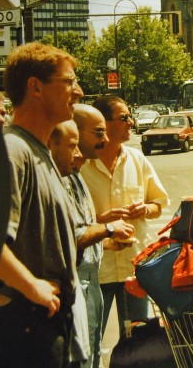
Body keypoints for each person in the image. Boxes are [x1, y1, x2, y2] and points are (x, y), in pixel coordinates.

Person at [0, 42, 84, 368]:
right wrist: (32, 287)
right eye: (69, 82)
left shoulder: (38, 151)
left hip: (45, 322)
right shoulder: (14, 152)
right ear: (35, 87)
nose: (78, 91)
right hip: (27, 327)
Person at [49, 112, 135, 368]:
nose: (105, 139)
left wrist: (105, 239)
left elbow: (81, 228)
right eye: (99, 133)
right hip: (77, 285)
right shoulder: (62, 174)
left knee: (94, 352)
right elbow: (69, 237)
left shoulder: (75, 172)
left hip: (91, 281)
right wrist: (108, 227)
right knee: (82, 359)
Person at [81, 95, 169, 336]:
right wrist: (101, 220)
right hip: (98, 271)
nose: (131, 122)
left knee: (138, 340)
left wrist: (145, 209)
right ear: (104, 123)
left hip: (134, 268)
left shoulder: (136, 159)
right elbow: (72, 220)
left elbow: (158, 204)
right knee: (91, 339)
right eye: (124, 117)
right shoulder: (81, 165)